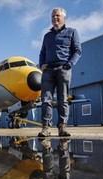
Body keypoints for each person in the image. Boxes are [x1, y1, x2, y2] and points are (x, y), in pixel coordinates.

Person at [38, 7, 82, 137]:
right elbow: (42, 52)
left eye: (57, 15)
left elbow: (77, 50)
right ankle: (45, 128)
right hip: (48, 71)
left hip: (63, 69)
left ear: (64, 18)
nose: (55, 18)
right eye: (52, 16)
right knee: (46, 100)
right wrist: (41, 65)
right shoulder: (47, 36)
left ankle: (62, 127)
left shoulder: (72, 32)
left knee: (63, 99)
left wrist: (69, 65)